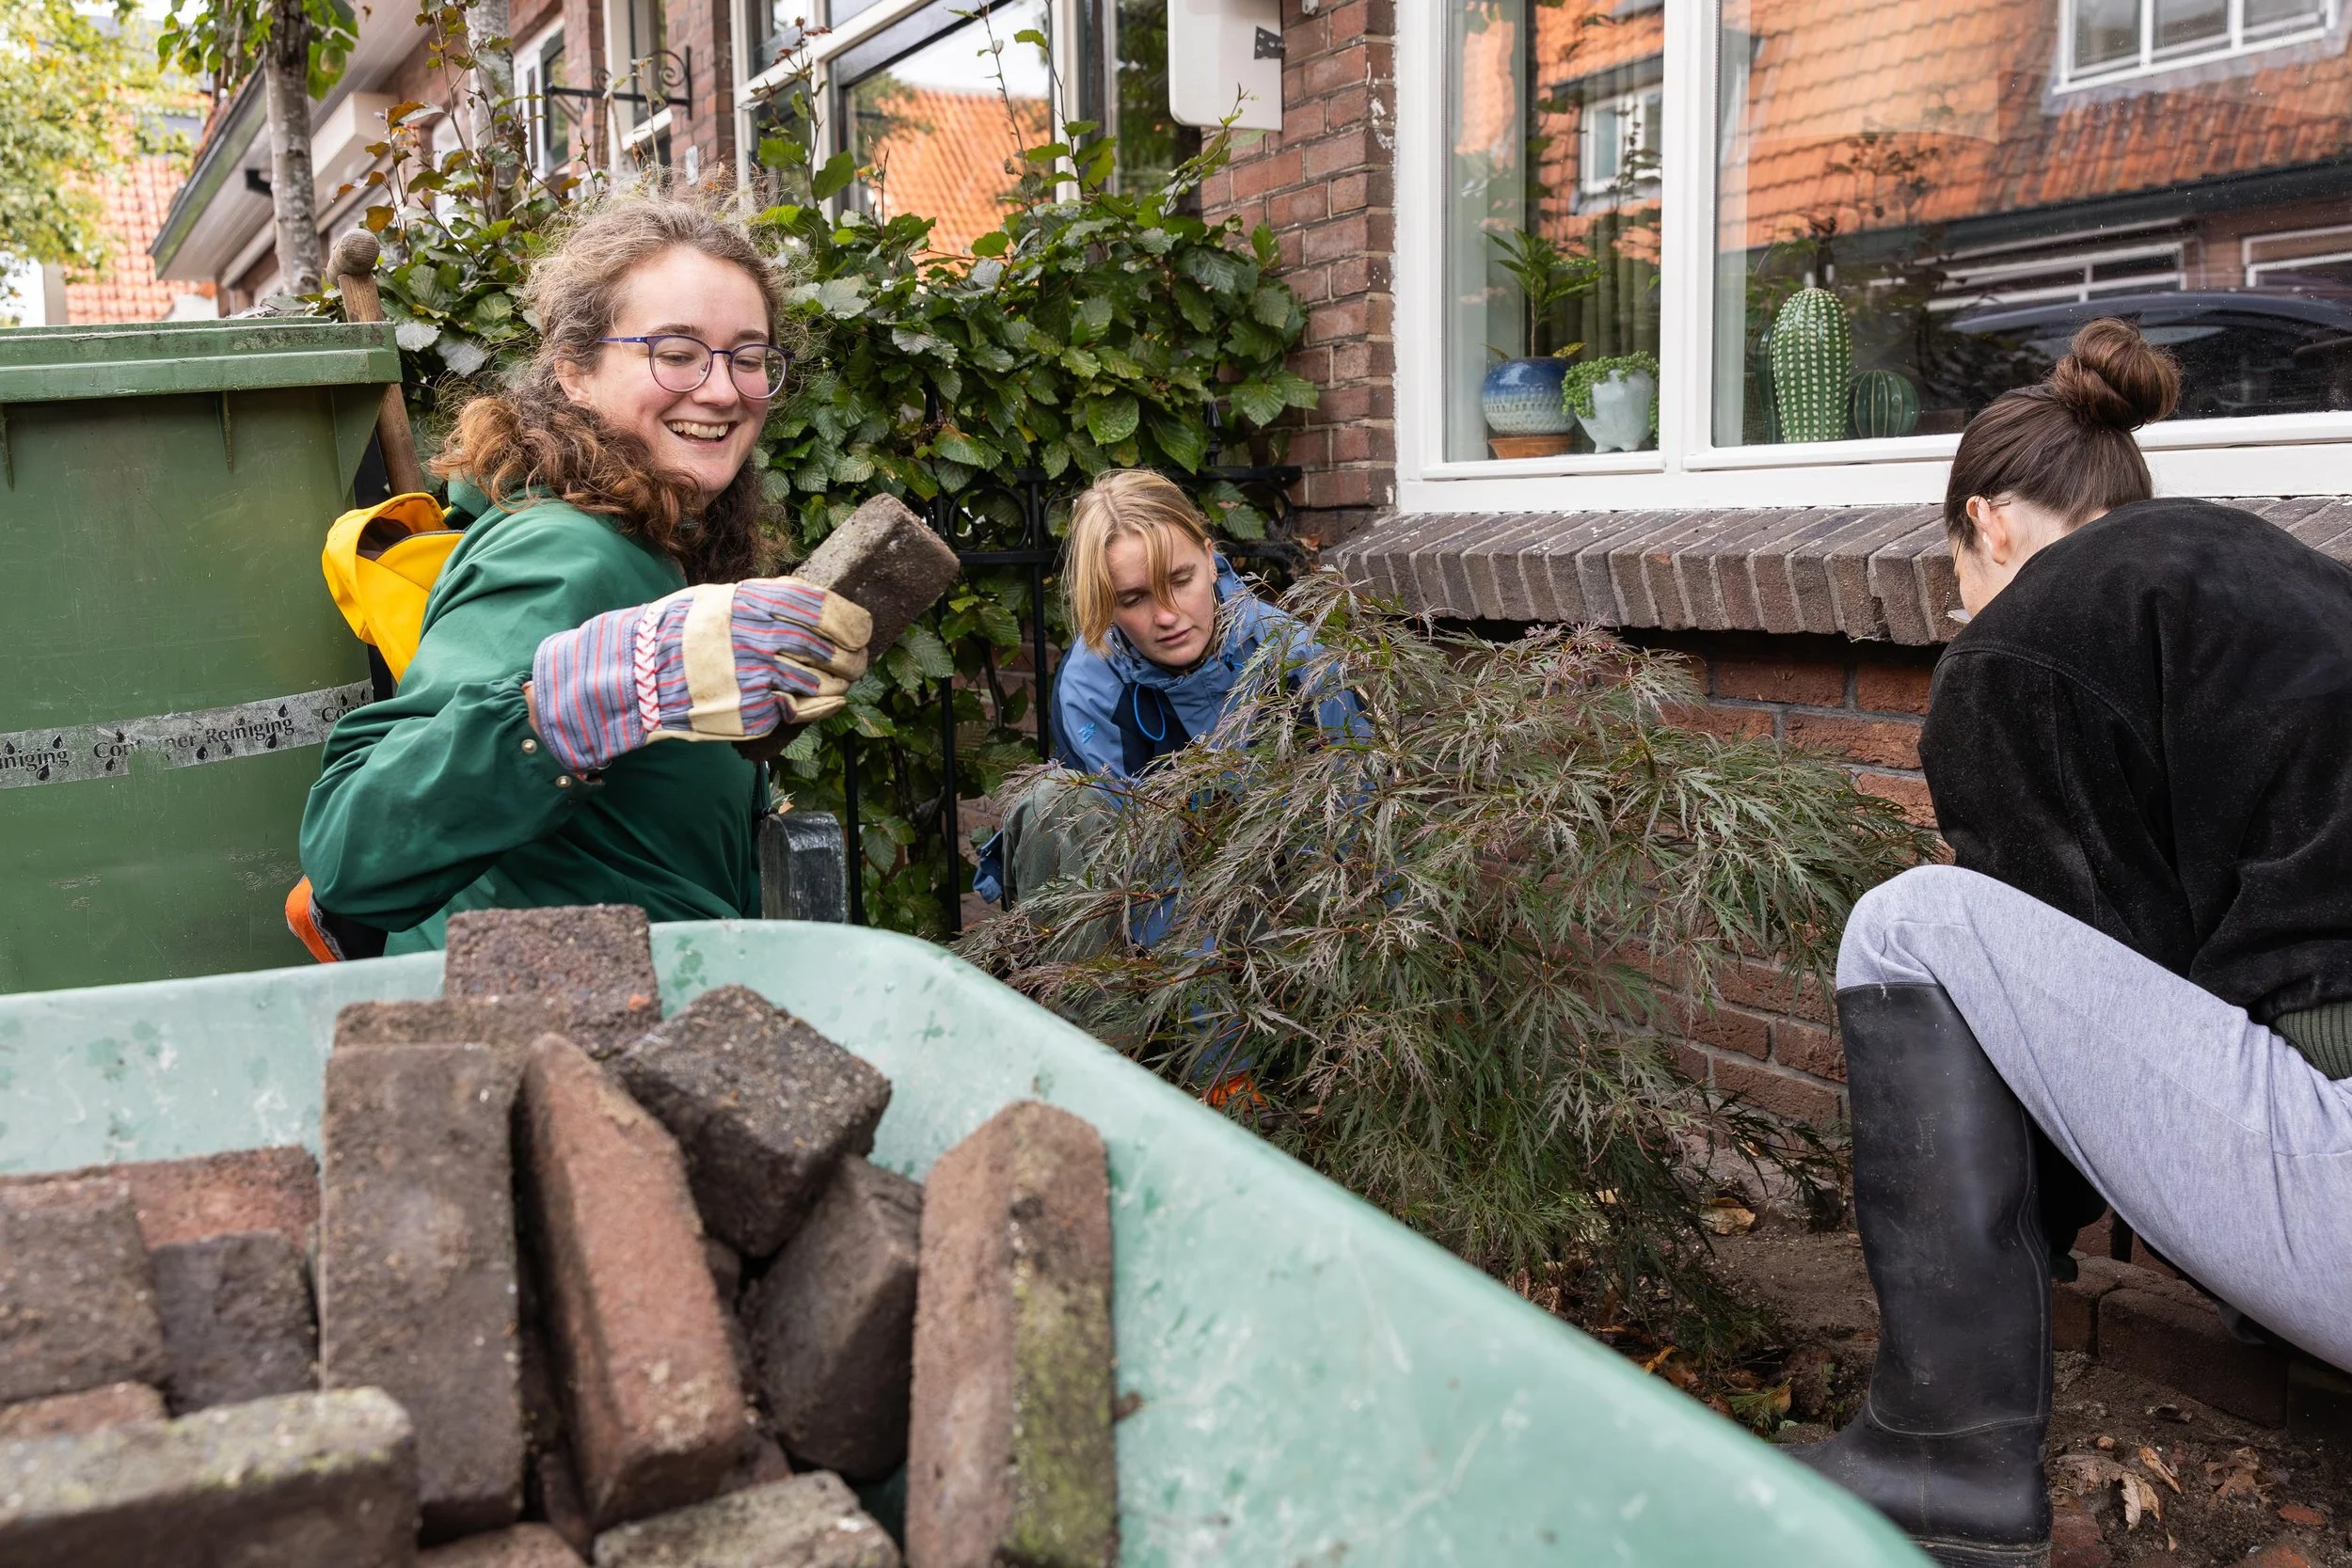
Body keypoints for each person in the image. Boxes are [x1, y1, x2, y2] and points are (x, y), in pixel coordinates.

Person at [1795, 319, 2352, 1566]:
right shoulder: (2286, 584)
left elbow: (2078, 982)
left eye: (1956, 569)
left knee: (1915, 922)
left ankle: (1946, 1452)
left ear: (1989, 521)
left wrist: (2019, 1231)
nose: (1962, 610)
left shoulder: (2030, 633)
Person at [297, 192, 871, 955]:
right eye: (676, 352)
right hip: (547, 1024)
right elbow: (347, 854)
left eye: (751, 357)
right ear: (573, 371)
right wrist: (573, 705)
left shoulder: (655, 544)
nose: (725, 388)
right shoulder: (563, 554)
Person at [974, 468, 1359, 914]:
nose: (1168, 616)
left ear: (1210, 560)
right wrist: (1192, 976)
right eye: (1134, 599)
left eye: (1179, 582)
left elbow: (1353, 812)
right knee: (1053, 802)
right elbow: (1119, 851)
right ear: (1106, 604)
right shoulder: (1090, 685)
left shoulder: (1293, 654)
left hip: (1283, 901)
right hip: (1141, 912)